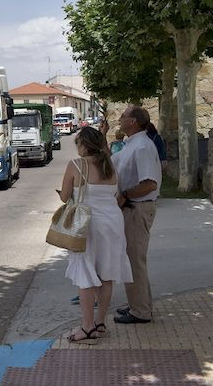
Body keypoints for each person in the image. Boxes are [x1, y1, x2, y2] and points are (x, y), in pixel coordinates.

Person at [59, 126, 133, 343]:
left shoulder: (76, 165)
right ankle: (100, 322)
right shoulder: (110, 165)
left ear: (84, 145)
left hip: (87, 225)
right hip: (112, 223)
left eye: (78, 143)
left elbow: (64, 197)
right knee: (106, 274)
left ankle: (87, 327)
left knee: (85, 274)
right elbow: (114, 193)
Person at [102, 105, 162, 324]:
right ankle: (138, 304)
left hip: (137, 208)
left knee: (135, 261)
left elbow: (150, 184)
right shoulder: (132, 144)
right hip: (131, 208)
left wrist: (125, 195)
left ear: (133, 121)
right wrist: (102, 135)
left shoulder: (142, 147)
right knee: (132, 260)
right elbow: (110, 162)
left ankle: (141, 311)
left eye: (124, 116)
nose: (120, 118)